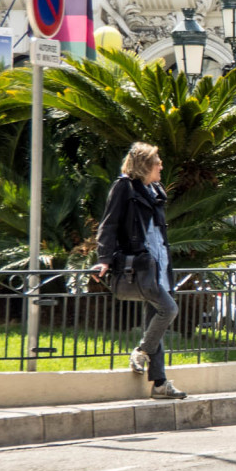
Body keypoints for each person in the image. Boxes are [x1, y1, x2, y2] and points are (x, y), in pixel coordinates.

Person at [91, 142, 187, 399]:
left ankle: (159, 384)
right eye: (157, 161)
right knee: (169, 309)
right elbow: (108, 225)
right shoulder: (124, 187)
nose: (161, 166)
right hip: (140, 263)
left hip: (159, 261)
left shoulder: (154, 189)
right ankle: (141, 351)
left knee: (153, 318)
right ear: (145, 165)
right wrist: (104, 259)